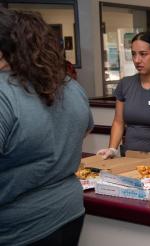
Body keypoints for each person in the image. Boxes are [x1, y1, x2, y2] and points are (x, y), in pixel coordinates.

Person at [0, 8, 93, 245]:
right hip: (69, 212)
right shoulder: (69, 86)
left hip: (18, 227)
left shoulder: (4, 92)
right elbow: (83, 130)